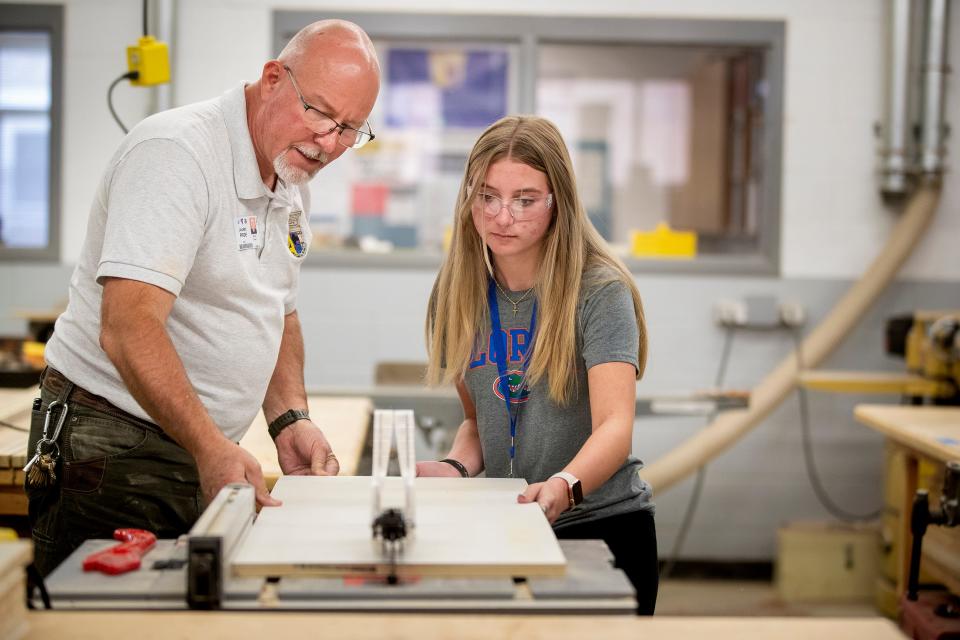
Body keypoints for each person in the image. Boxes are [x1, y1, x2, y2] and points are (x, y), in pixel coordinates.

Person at [25, 20, 380, 576]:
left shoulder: (288, 179)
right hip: (114, 446)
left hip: (193, 445)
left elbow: (275, 307)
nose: (329, 143)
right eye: (320, 113)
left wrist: (288, 420)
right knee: (100, 622)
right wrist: (208, 445)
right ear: (271, 79)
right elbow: (128, 326)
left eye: (351, 131)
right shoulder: (177, 154)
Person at [417, 115, 657, 614]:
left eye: (524, 200)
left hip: (601, 526)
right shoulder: (457, 294)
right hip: (511, 522)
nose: (502, 216)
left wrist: (564, 487)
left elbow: (616, 426)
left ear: (557, 203)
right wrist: (456, 467)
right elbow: (477, 421)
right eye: (487, 197)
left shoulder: (599, 291)